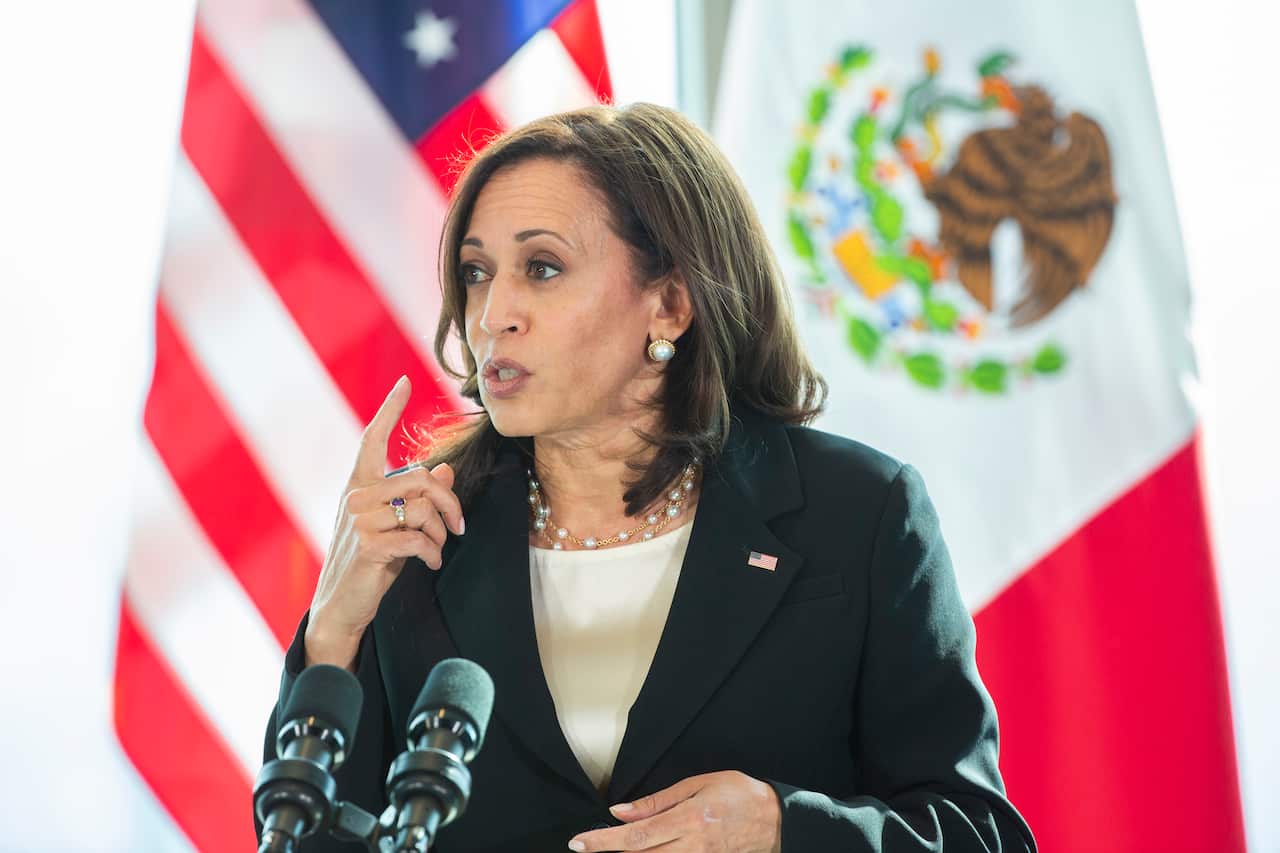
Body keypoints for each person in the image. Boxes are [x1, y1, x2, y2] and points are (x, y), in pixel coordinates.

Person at [257, 102, 1037, 852]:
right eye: (476, 272)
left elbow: (982, 834)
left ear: (668, 305)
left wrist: (783, 827)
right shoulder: (420, 536)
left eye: (542, 267)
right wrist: (334, 633)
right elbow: (313, 838)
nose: (493, 314)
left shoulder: (858, 514)